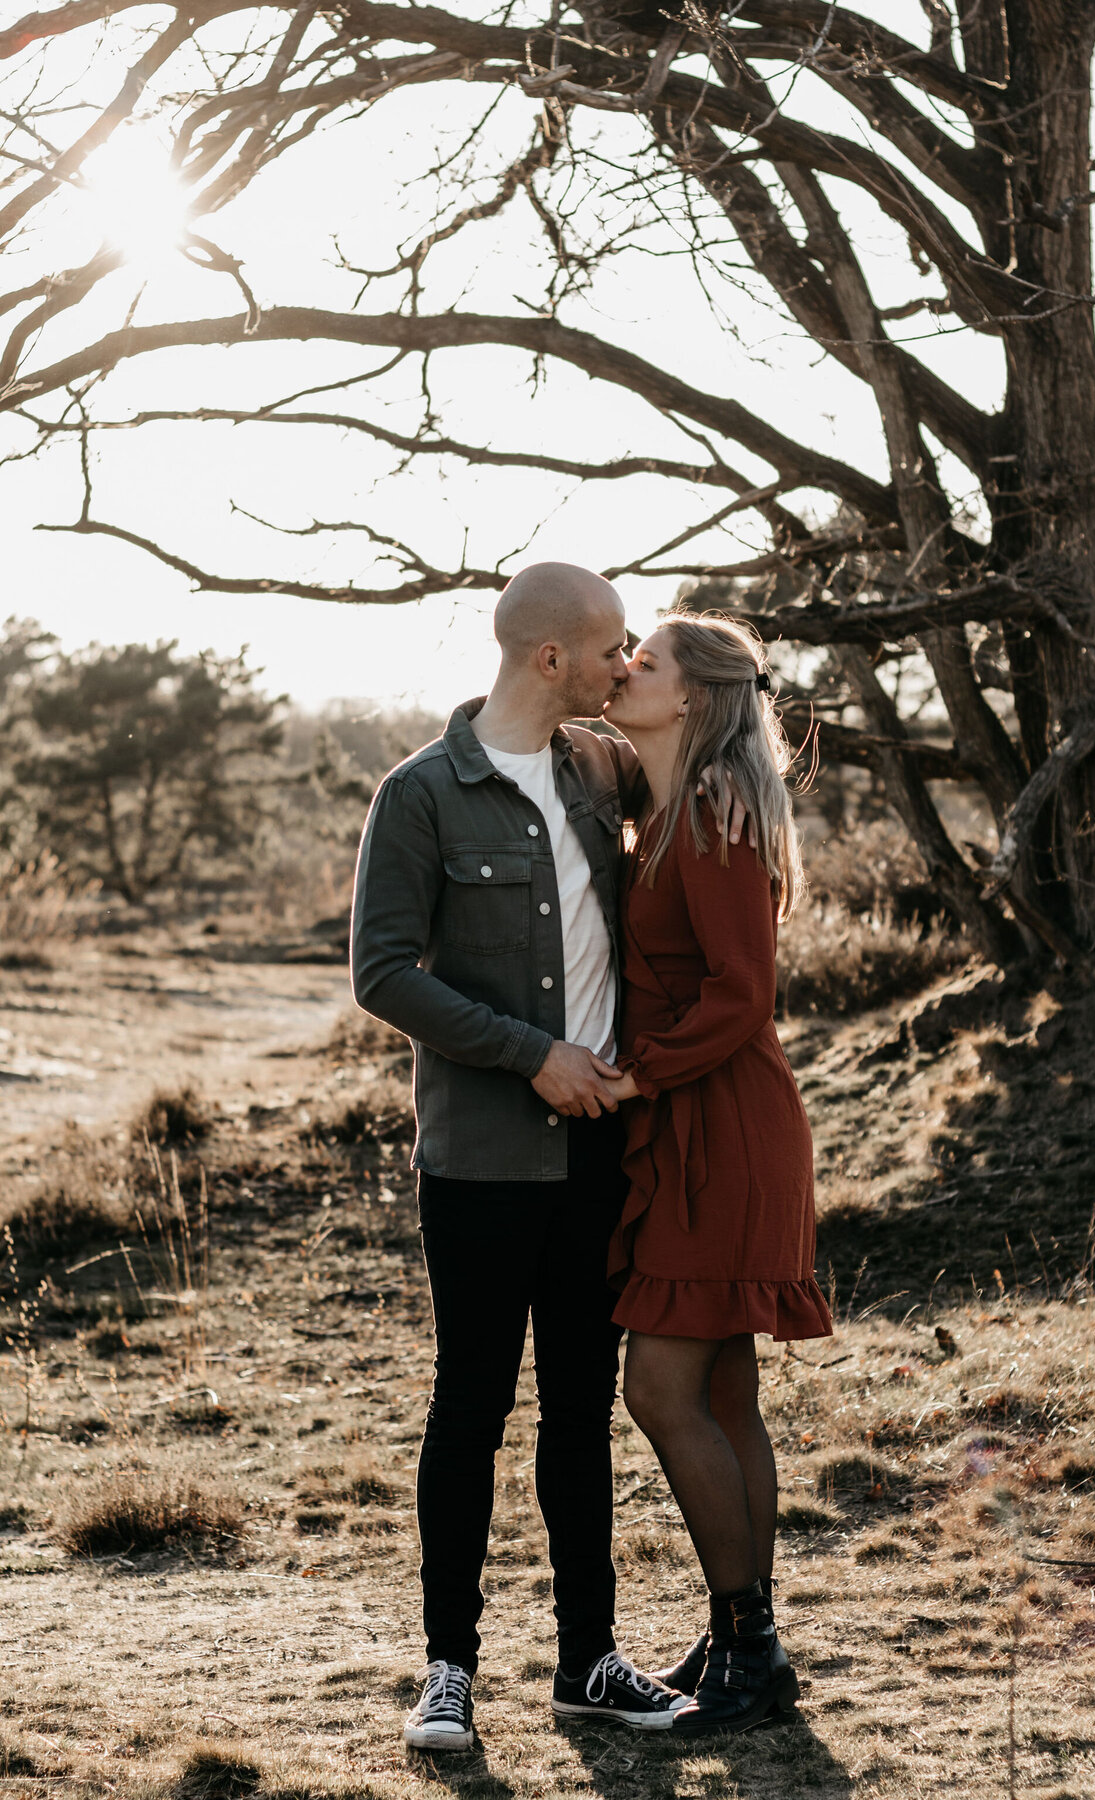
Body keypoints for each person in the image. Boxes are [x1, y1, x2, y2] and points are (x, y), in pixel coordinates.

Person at [351, 563, 716, 1749]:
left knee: (580, 1414)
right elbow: (384, 972)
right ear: (551, 657)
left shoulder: (599, 770)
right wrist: (531, 1054)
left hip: (599, 1158)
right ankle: (448, 1670)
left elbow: (701, 804)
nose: (627, 664)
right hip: (478, 1158)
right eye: (612, 647)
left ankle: (588, 1665)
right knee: (470, 1410)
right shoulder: (420, 796)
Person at [599, 611, 833, 1736]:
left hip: (723, 1127)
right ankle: (746, 1641)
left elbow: (744, 994)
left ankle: (752, 1649)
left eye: (643, 661)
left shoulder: (715, 822)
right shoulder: (668, 813)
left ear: (691, 695)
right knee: (724, 1393)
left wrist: (637, 1077)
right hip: (702, 1121)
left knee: (661, 1391)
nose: (622, 668)